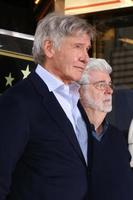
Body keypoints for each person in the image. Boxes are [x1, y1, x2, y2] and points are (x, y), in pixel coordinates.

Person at [0, 12, 95, 200]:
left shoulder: (76, 101)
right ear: (50, 48)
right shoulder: (19, 101)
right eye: (78, 46)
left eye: (87, 49)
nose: (86, 57)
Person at [79, 58, 133, 200]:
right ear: (80, 90)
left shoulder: (117, 137)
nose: (109, 91)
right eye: (101, 85)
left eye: (109, 85)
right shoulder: (70, 133)